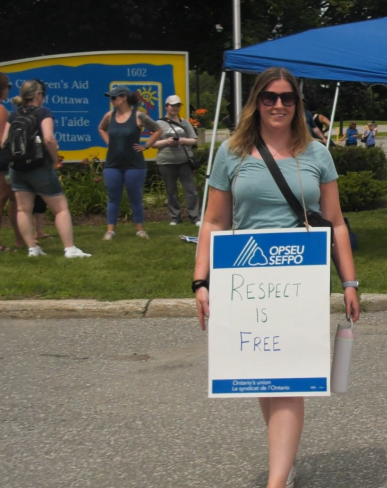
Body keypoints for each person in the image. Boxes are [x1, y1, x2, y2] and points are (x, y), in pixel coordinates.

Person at [194, 67, 360, 488]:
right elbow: (212, 222)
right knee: (264, 377)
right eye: (270, 97)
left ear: (298, 105)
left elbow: (336, 222)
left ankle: (276, 480)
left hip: (299, 277)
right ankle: (281, 468)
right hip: (245, 278)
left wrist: (350, 282)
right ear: (256, 101)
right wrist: (200, 282)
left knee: (289, 378)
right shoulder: (232, 153)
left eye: (288, 98)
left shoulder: (316, 154)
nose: (279, 105)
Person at [1, 79, 90, 258]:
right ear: (37, 95)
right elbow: (49, 139)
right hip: (39, 167)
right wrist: (55, 160)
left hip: (17, 169)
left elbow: (3, 142)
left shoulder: (13, 115)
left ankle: (33, 249)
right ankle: (70, 248)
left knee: (23, 209)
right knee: (60, 208)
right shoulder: (43, 113)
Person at [98, 86, 163, 240]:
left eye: (114, 98)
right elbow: (101, 128)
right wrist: (109, 142)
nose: (112, 101)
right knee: (113, 196)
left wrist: (146, 146)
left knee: (135, 196)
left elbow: (158, 130)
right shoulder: (109, 116)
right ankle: (110, 230)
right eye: (111, 98)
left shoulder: (138, 116)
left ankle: (140, 229)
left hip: (134, 164)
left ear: (123, 98)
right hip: (113, 163)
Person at [152, 95, 201, 226]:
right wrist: (166, 141)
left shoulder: (185, 122)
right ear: (166, 106)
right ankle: (175, 217)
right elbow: (153, 143)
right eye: (172, 105)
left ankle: (195, 216)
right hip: (166, 161)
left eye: (178, 105)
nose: (175, 108)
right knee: (171, 190)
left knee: (190, 190)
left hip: (184, 160)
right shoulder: (159, 123)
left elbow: (194, 139)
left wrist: (183, 141)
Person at [0, 72, 28, 252]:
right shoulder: (2, 111)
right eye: (8, 87)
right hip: (2, 161)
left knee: (11, 199)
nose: (9, 90)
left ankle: (20, 239)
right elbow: (3, 140)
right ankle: (20, 240)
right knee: (8, 198)